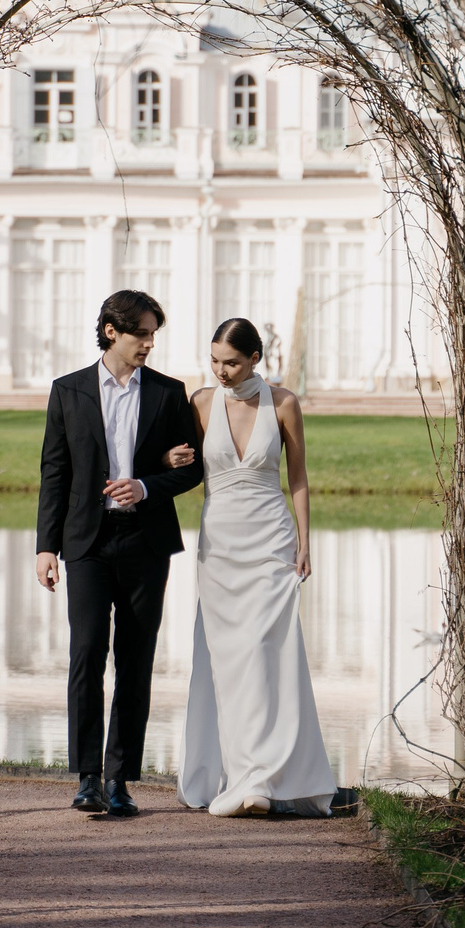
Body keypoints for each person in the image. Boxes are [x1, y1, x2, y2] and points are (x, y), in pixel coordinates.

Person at [35, 288, 203, 818]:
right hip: (85, 542)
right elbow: (54, 472)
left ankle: (120, 780)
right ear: (112, 330)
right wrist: (46, 547)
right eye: (142, 334)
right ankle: (86, 778)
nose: (149, 344)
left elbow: (191, 467)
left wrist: (148, 485)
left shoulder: (168, 393)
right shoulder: (68, 391)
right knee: (86, 654)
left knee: (136, 661)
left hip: (145, 543)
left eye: (153, 335)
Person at [177, 316, 340, 817]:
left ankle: (265, 777)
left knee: (268, 652)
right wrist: (168, 459)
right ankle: (236, 772)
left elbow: (298, 478)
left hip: (272, 540)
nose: (220, 371)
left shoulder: (284, 403)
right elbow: (182, 467)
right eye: (214, 362)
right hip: (221, 545)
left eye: (230, 362)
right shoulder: (202, 404)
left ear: (254, 359)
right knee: (227, 657)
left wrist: (305, 542)